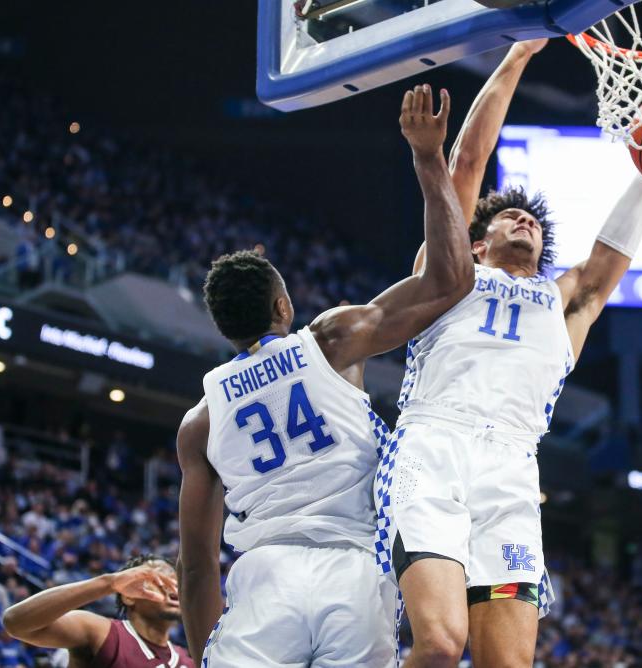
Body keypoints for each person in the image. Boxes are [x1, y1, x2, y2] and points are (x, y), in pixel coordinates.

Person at [375, 38, 642, 667]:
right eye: (508, 218)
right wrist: (517, 58)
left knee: (507, 663)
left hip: (512, 469)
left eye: (532, 222)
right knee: (442, 644)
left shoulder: (564, 301)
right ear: (475, 243)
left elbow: (608, 261)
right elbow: (470, 161)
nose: (525, 222)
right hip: (434, 451)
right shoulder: (450, 273)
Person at [176, 84, 473, 667]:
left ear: (224, 328)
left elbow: (194, 565)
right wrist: (427, 157)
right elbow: (450, 280)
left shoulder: (200, 420)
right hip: (352, 569)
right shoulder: (330, 341)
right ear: (284, 307)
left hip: (265, 579)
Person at [1, 555, 193, 668]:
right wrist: (109, 583)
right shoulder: (101, 632)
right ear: (128, 596)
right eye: (158, 580)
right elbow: (16, 622)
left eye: (174, 581)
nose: (171, 587)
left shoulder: (188, 660)